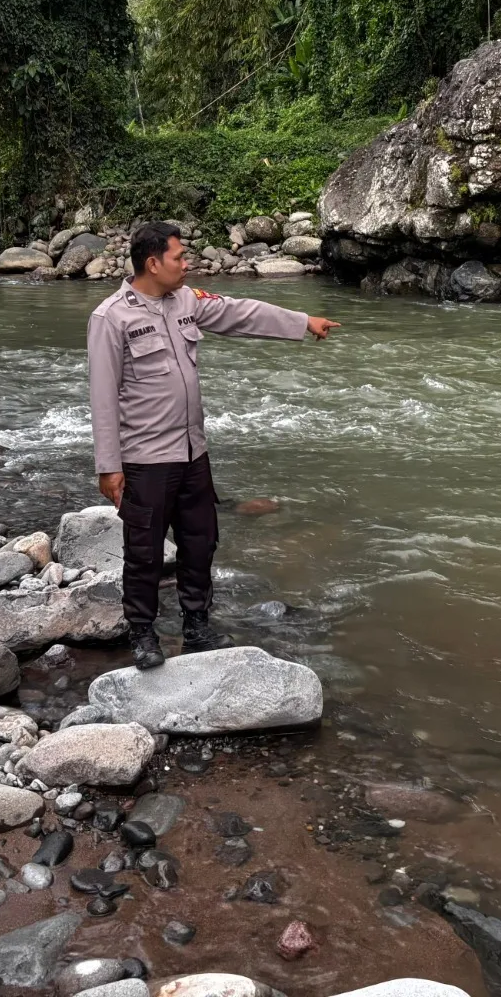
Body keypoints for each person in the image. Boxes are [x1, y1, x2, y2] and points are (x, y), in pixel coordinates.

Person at [87, 222, 341, 669]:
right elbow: (102, 397)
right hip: (145, 460)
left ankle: (197, 625)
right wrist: (109, 466)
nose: (188, 264)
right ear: (152, 263)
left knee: (201, 543)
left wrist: (302, 323)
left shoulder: (186, 301)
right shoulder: (111, 318)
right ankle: (143, 634)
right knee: (144, 552)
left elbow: (241, 313)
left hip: (192, 453)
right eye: (179, 257)